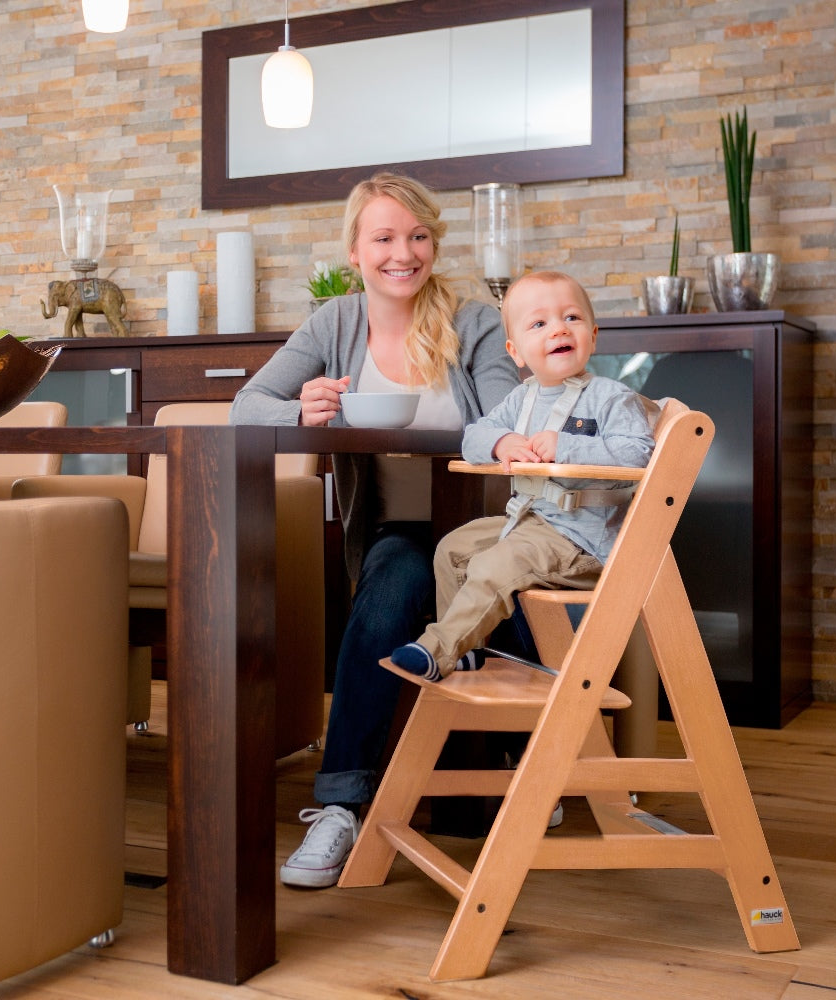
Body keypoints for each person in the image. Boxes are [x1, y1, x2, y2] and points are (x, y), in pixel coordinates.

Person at [229, 173, 520, 889]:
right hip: (403, 527)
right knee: (389, 590)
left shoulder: (475, 319)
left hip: (487, 527)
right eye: (385, 238)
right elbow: (247, 405)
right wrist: (303, 410)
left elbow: (511, 422)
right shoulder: (334, 324)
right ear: (355, 252)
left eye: (418, 236)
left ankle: (529, 769)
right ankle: (341, 806)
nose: (404, 252)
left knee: (500, 600)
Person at [390, 270, 655, 682]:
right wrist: (502, 442)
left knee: (498, 562)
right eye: (539, 323)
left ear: (593, 335)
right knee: (453, 549)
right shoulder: (522, 397)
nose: (558, 330)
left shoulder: (610, 397)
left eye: (571, 318)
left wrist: (565, 447)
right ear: (515, 352)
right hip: (532, 523)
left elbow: (638, 454)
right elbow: (473, 436)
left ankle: (437, 648)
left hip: (583, 540)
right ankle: (468, 651)